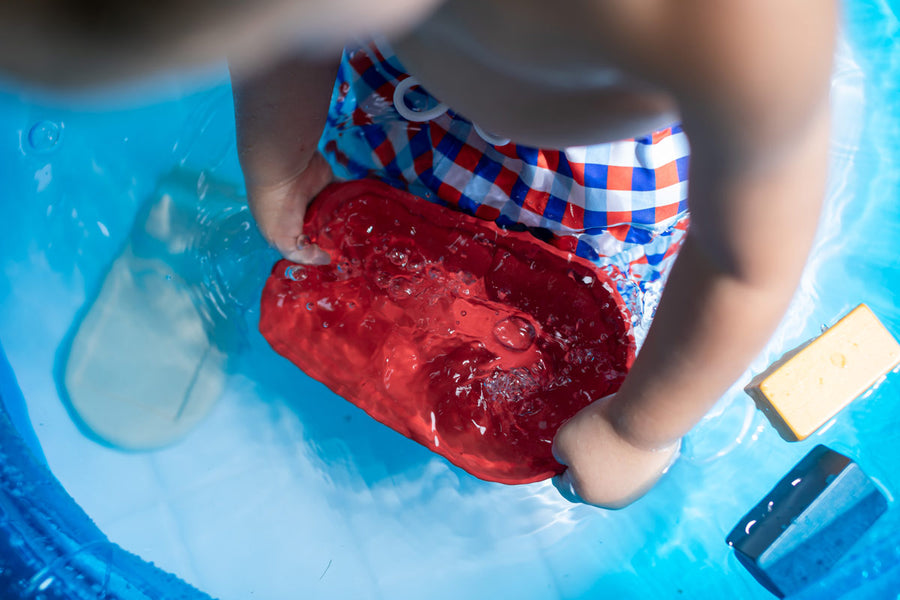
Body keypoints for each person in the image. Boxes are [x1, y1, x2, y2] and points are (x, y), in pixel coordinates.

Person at [2, 0, 837, 508]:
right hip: (403, 104)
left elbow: (743, 263)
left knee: (574, 350)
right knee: (338, 213)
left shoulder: (737, 30)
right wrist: (282, 158)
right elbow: (282, 31)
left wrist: (638, 428)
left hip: (595, 196)